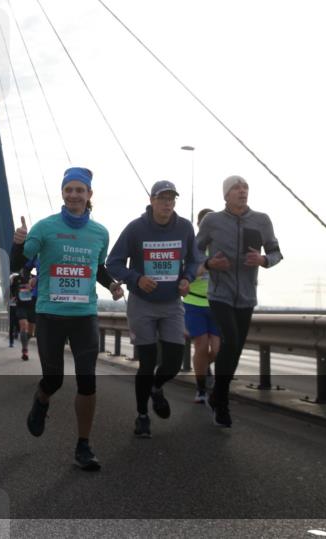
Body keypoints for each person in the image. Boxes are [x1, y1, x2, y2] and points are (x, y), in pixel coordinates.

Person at [11, 167, 123, 471]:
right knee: (55, 379)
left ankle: (83, 445)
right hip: (50, 315)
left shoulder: (100, 232)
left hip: (84, 315)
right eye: (69, 190)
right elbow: (21, 263)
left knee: (87, 382)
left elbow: (98, 268)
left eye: (80, 190)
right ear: (63, 193)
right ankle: (42, 398)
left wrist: (112, 284)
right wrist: (19, 242)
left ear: (88, 195)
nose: (74, 195)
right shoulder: (45, 228)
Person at [106, 180, 200, 438]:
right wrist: (135, 278)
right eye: (162, 198)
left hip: (171, 304)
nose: (167, 203)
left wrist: (187, 278)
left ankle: (157, 388)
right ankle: (142, 415)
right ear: (152, 200)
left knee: (172, 360)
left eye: (171, 198)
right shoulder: (136, 229)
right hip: (142, 304)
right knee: (147, 363)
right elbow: (112, 263)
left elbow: (194, 260)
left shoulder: (184, 228)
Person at [196, 176, 282, 428]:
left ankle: (217, 396)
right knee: (230, 341)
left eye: (245, 187)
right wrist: (210, 264)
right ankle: (221, 402)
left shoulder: (262, 220)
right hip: (220, 294)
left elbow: (276, 253)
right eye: (236, 188)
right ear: (226, 195)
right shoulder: (212, 221)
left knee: (234, 351)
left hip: (246, 297)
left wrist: (264, 260)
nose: (242, 191)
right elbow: (195, 251)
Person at [184, 208, 219, 403]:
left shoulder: (221, 247)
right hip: (194, 302)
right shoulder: (193, 247)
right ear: (200, 225)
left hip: (217, 303)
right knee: (201, 345)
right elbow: (187, 272)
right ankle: (201, 389)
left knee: (216, 350)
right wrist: (205, 266)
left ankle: (204, 367)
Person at [11, 262, 38, 361]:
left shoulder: (35, 277)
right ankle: (25, 350)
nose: (23, 270)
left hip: (32, 306)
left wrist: (32, 287)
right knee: (23, 325)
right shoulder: (15, 279)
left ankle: (24, 341)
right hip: (21, 306)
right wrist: (13, 296)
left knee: (31, 333)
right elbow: (11, 290)